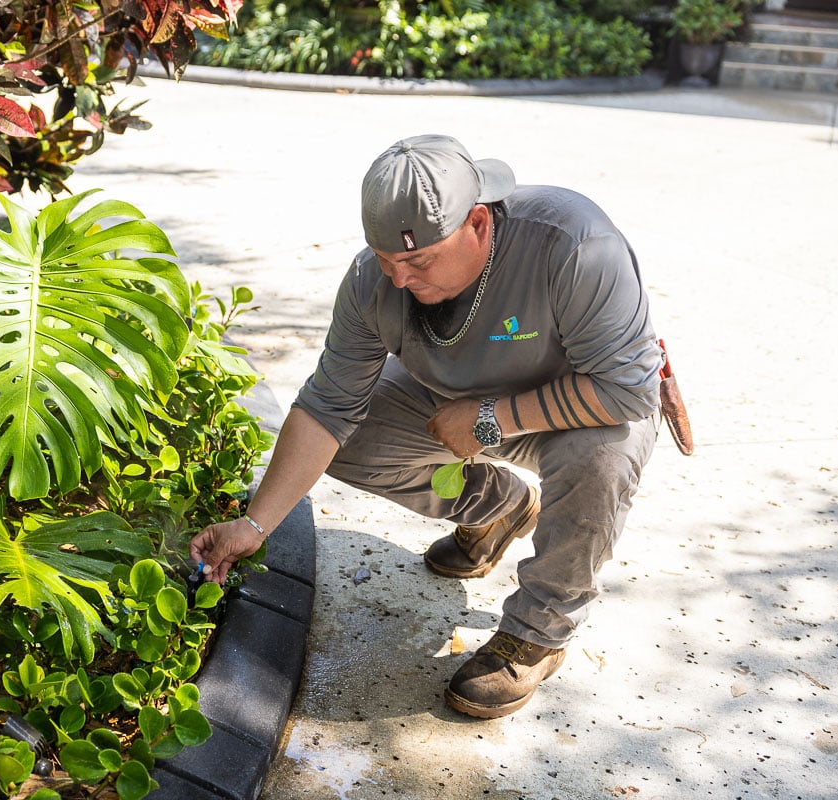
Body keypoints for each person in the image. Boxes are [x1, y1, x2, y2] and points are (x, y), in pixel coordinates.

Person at [190, 134, 662, 719]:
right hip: (450, 403)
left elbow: (629, 389)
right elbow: (327, 407)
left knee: (604, 458)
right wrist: (256, 523)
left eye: (418, 260)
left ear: (479, 225)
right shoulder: (374, 281)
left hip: (579, 407)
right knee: (350, 438)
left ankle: (539, 631)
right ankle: (497, 508)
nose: (399, 279)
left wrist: (491, 420)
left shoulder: (574, 244)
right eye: (386, 258)